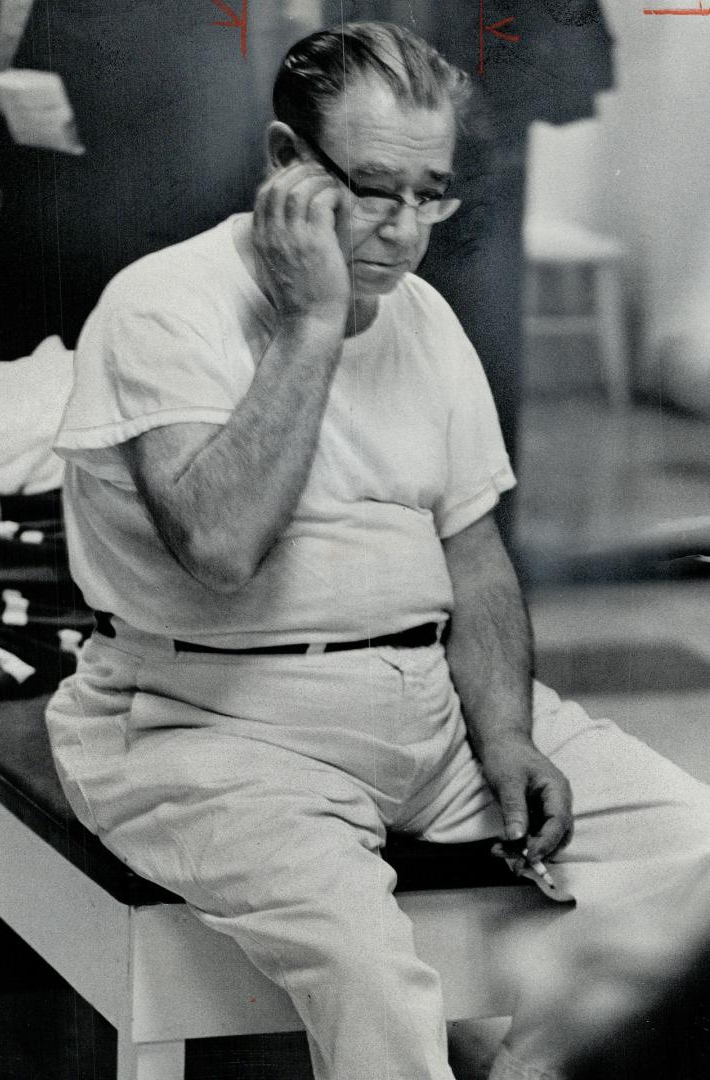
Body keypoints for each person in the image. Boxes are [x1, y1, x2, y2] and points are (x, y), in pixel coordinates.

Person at [46, 22, 710, 1080]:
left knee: (691, 850)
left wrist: (503, 732)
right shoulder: (161, 304)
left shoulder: (426, 318)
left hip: (425, 710)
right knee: (372, 980)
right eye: (369, 189)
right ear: (282, 163)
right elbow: (218, 546)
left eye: (428, 193)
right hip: (208, 729)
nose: (403, 232)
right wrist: (312, 324)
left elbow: (474, 552)